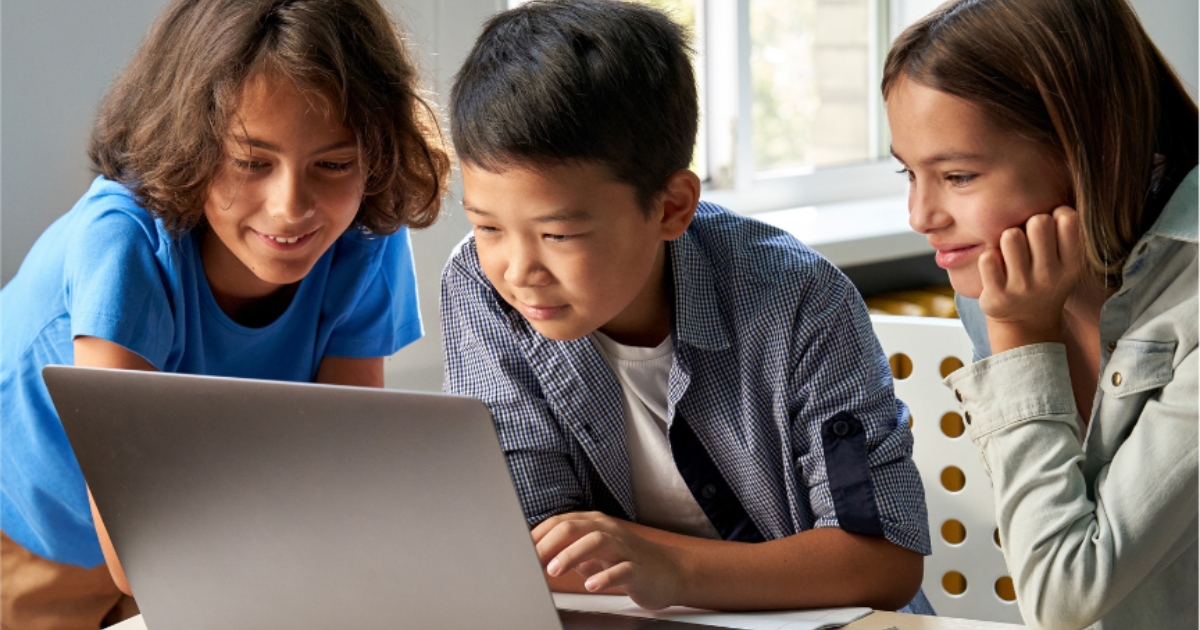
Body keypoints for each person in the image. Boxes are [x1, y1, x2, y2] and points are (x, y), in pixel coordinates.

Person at [441, 0, 932, 613]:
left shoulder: (800, 299)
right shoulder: (478, 286)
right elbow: (527, 546)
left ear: (672, 206)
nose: (518, 270)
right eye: (487, 226)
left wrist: (669, 567)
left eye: (559, 235)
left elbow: (883, 562)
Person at [0, 0, 451, 626]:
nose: (291, 207)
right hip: (33, 531)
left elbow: (345, 471)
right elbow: (145, 556)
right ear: (189, 142)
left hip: (201, 512)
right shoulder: (124, 244)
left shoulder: (364, 237)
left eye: (335, 164)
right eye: (250, 162)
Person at [883, 0, 1197, 627]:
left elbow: (1064, 594)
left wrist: (1022, 339)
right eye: (908, 173)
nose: (920, 216)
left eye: (959, 175)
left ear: (1090, 148)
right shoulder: (1000, 285)